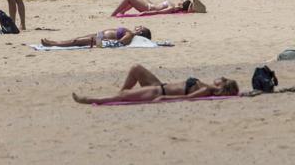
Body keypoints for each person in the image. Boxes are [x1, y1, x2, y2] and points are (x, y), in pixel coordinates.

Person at [72, 64, 239, 105]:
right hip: (160, 85)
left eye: (223, 78)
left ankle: (92, 99)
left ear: (222, 85)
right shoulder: (206, 87)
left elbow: (188, 98)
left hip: (158, 92)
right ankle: (120, 96)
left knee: (123, 96)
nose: (219, 77)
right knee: (136, 69)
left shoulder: (207, 89)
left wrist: (164, 98)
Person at [40, 26, 151, 48]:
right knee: (78, 38)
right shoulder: (129, 32)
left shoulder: (130, 35)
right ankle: (55, 42)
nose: (139, 26)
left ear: (141, 33)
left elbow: (120, 43)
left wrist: (104, 40)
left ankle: (52, 43)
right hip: (100, 35)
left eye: (141, 28)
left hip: (101, 40)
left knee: (76, 41)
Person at [111, 0, 206, 16]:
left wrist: (145, 13)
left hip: (148, 8)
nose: (181, 0)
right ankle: (122, 11)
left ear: (182, 5)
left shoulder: (172, 8)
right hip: (150, 4)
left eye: (182, 1)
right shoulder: (173, 6)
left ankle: (114, 14)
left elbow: (158, 12)